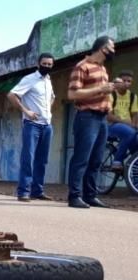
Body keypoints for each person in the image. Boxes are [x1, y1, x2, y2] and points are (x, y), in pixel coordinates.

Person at [67, 35, 117, 209]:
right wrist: (101, 88)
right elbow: (72, 94)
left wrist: (109, 98)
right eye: (112, 47)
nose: (114, 51)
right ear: (102, 48)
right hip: (86, 117)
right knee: (82, 158)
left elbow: (101, 92)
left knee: (96, 160)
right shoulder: (82, 66)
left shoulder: (102, 69)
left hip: (102, 118)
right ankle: (74, 196)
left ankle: (90, 195)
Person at [7, 53, 56, 202]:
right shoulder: (30, 79)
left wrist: (47, 112)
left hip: (47, 126)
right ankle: (23, 192)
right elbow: (11, 95)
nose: (46, 66)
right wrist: (26, 111)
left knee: (42, 160)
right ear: (38, 63)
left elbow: (52, 97)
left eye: (49, 64)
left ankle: (37, 191)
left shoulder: (48, 80)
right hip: (32, 125)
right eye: (44, 63)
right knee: (28, 159)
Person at [106, 70, 138, 170]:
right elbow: (108, 116)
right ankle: (117, 161)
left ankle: (134, 181)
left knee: (136, 147)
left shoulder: (133, 96)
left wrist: (134, 123)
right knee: (129, 132)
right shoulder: (111, 95)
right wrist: (126, 123)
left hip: (129, 127)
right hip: (111, 126)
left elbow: (135, 114)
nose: (127, 83)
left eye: (129, 81)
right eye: (124, 80)